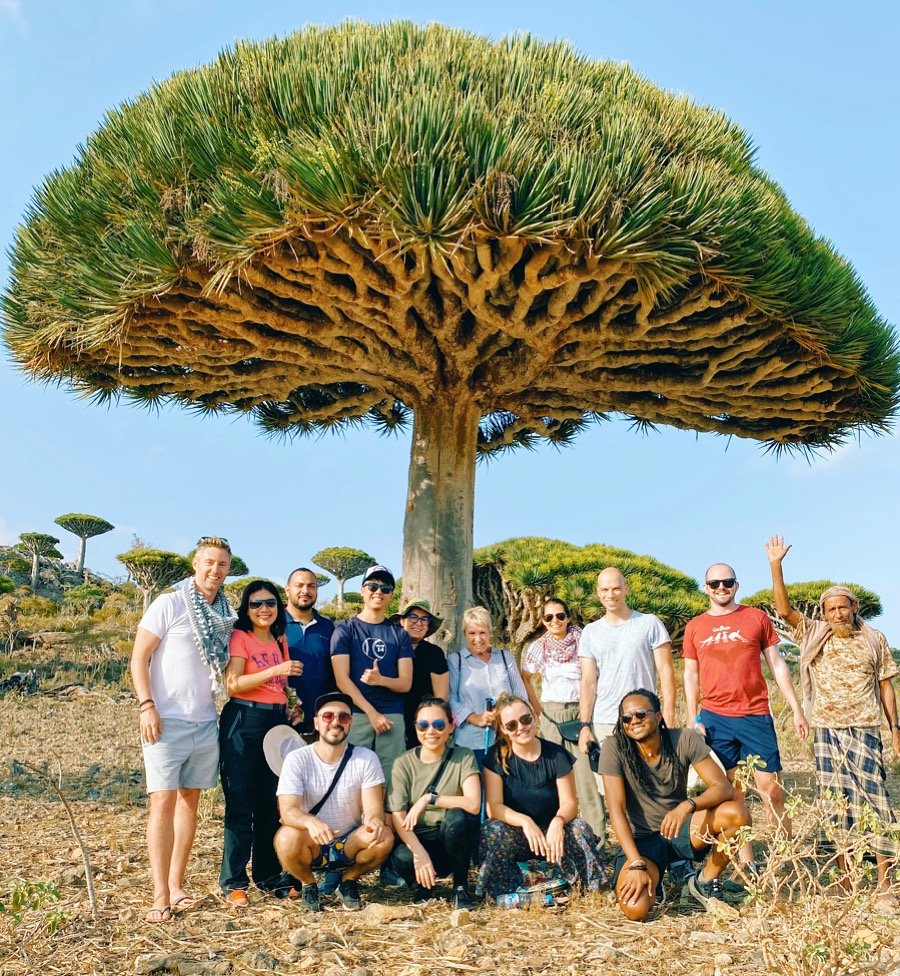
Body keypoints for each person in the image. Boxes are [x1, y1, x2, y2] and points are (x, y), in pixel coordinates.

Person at [766, 535, 900, 909]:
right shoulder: (813, 635)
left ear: (854, 608)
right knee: (835, 803)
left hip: (866, 729)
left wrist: (896, 730)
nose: (837, 614)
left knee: (876, 802)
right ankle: (844, 879)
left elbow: (887, 687)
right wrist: (776, 566)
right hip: (826, 732)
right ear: (823, 614)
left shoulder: (874, 639)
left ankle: (885, 883)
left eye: (843, 608)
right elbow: (784, 609)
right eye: (830, 610)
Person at [130, 535, 235, 924]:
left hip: (205, 720)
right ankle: (159, 895)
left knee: (190, 802)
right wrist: (147, 706)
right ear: (195, 564)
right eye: (208, 562)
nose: (214, 570)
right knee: (162, 802)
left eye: (222, 564)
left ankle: (177, 886)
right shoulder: (170, 603)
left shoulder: (226, 615)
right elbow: (139, 658)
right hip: (165, 720)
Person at [682, 561, 808, 873]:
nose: (721, 588)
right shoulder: (695, 626)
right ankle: (747, 860)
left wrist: (796, 708)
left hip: (755, 715)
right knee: (729, 792)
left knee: (772, 790)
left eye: (727, 582)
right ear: (706, 588)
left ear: (736, 585)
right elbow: (690, 673)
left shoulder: (756, 618)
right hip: (714, 718)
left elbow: (777, 664)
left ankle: (783, 858)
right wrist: (691, 717)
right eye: (715, 584)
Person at [600, 688, 750, 921]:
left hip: (681, 828)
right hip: (642, 841)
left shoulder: (684, 738)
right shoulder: (614, 747)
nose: (633, 722)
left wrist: (687, 806)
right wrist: (636, 862)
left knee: (736, 814)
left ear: (658, 716)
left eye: (640, 714)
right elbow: (616, 810)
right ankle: (654, 878)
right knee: (634, 910)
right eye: (626, 718)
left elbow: (723, 787)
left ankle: (703, 882)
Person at [478, 692, 607, 900]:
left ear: (535, 716)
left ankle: (591, 888)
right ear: (503, 729)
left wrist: (558, 821)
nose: (521, 727)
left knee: (580, 828)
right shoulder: (494, 759)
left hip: (552, 835)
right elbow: (494, 807)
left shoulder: (556, 754)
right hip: (518, 833)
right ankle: (504, 890)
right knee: (492, 830)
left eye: (526, 719)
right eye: (511, 725)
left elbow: (569, 803)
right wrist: (524, 821)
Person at [219, 580, 301, 905]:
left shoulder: (280, 641)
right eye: (255, 604)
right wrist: (277, 670)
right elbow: (233, 684)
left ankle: (268, 877)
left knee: (270, 803)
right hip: (243, 721)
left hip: (275, 722)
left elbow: (280, 685)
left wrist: (292, 702)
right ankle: (234, 882)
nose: (264, 609)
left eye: (270, 602)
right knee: (240, 801)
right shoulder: (242, 637)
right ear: (246, 609)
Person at [577, 568, 675, 837]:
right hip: (606, 720)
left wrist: (667, 713)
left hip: (643, 718)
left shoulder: (649, 623)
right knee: (614, 792)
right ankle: (627, 850)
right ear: (598, 593)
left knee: (652, 785)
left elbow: (666, 671)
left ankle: (661, 845)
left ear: (626, 589)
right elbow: (588, 680)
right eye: (605, 590)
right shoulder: (590, 632)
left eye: (616, 588)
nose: (611, 595)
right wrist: (585, 725)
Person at [274, 693, 394, 912]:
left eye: (344, 717)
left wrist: (375, 820)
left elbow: (373, 807)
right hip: (311, 843)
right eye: (328, 716)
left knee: (383, 836)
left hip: (349, 842)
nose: (336, 722)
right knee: (286, 837)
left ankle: (348, 881)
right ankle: (308, 884)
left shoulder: (365, 758)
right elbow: (288, 810)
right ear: (317, 723)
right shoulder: (297, 758)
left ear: (350, 723)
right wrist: (311, 823)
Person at [521, 598, 604, 837]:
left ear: (568, 617)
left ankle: (594, 837)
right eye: (548, 617)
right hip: (551, 714)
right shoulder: (540, 646)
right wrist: (536, 708)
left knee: (585, 778)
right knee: (551, 777)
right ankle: (554, 837)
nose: (555, 621)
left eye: (559, 616)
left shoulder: (583, 640)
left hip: (580, 712)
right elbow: (525, 676)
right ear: (543, 621)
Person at [386, 697, 480, 907]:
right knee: (402, 857)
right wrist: (419, 853)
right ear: (415, 727)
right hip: (420, 840)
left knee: (457, 818)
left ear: (450, 726)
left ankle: (460, 887)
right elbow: (398, 815)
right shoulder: (403, 763)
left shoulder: (463, 756)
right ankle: (423, 886)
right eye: (423, 725)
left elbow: (473, 803)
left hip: (452, 839)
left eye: (438, 725)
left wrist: (429, 798)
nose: (431, 731)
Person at [331, 565, 414, 778]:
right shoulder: (344, 630)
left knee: (392, 777)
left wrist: (381, 680)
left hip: (392, 714)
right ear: (362, 590)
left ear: (391, 595)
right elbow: (342, 680)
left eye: (385, 588)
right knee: (352, 775)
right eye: (373, 586)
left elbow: (405, 683)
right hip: (357, 714)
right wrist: (371, 713)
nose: (378, 592)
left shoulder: (399, 634)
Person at [448, 606, 528, 765]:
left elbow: (520, 694)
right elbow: (450, 699)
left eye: (482, 632)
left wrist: (501, 714)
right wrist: (476, 718)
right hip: (470, 741)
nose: (478, 638)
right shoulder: (455, 660)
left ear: (490, 632)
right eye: (472, 633)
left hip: (508, 737)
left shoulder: (505, 657)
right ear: (464, 634)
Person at [284, 567, 336, 741]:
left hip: (320, 721)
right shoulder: (273, 623)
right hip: (280, 717)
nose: (305, 591)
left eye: (311, 586)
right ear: (287, 590)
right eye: (299, 585)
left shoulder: (328, 628)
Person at [390, 600, 450, 748]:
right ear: (402, 620)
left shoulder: (434, 653)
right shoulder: (389, 648)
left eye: (424, 619)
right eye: (413, 617)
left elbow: (441, 696)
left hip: (423, 723)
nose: (419, 623)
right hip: (391, 720)